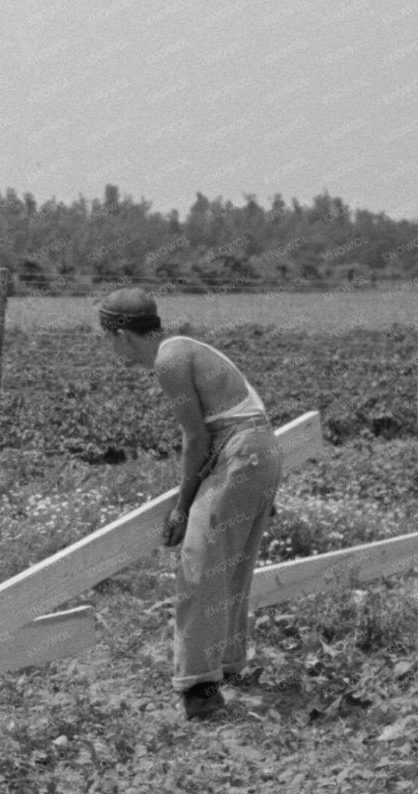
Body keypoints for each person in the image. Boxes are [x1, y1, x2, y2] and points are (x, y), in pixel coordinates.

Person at [97, 288, 281, 721]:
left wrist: (182, 507)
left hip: (239, 453)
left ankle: (200, 688)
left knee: (198, 568)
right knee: (230, 566)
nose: (109, 348)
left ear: (122, 334)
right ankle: (226, 667)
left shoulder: (168, 360)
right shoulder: (188, 347)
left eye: (107, 338)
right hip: (262, 450)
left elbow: (196, 437)